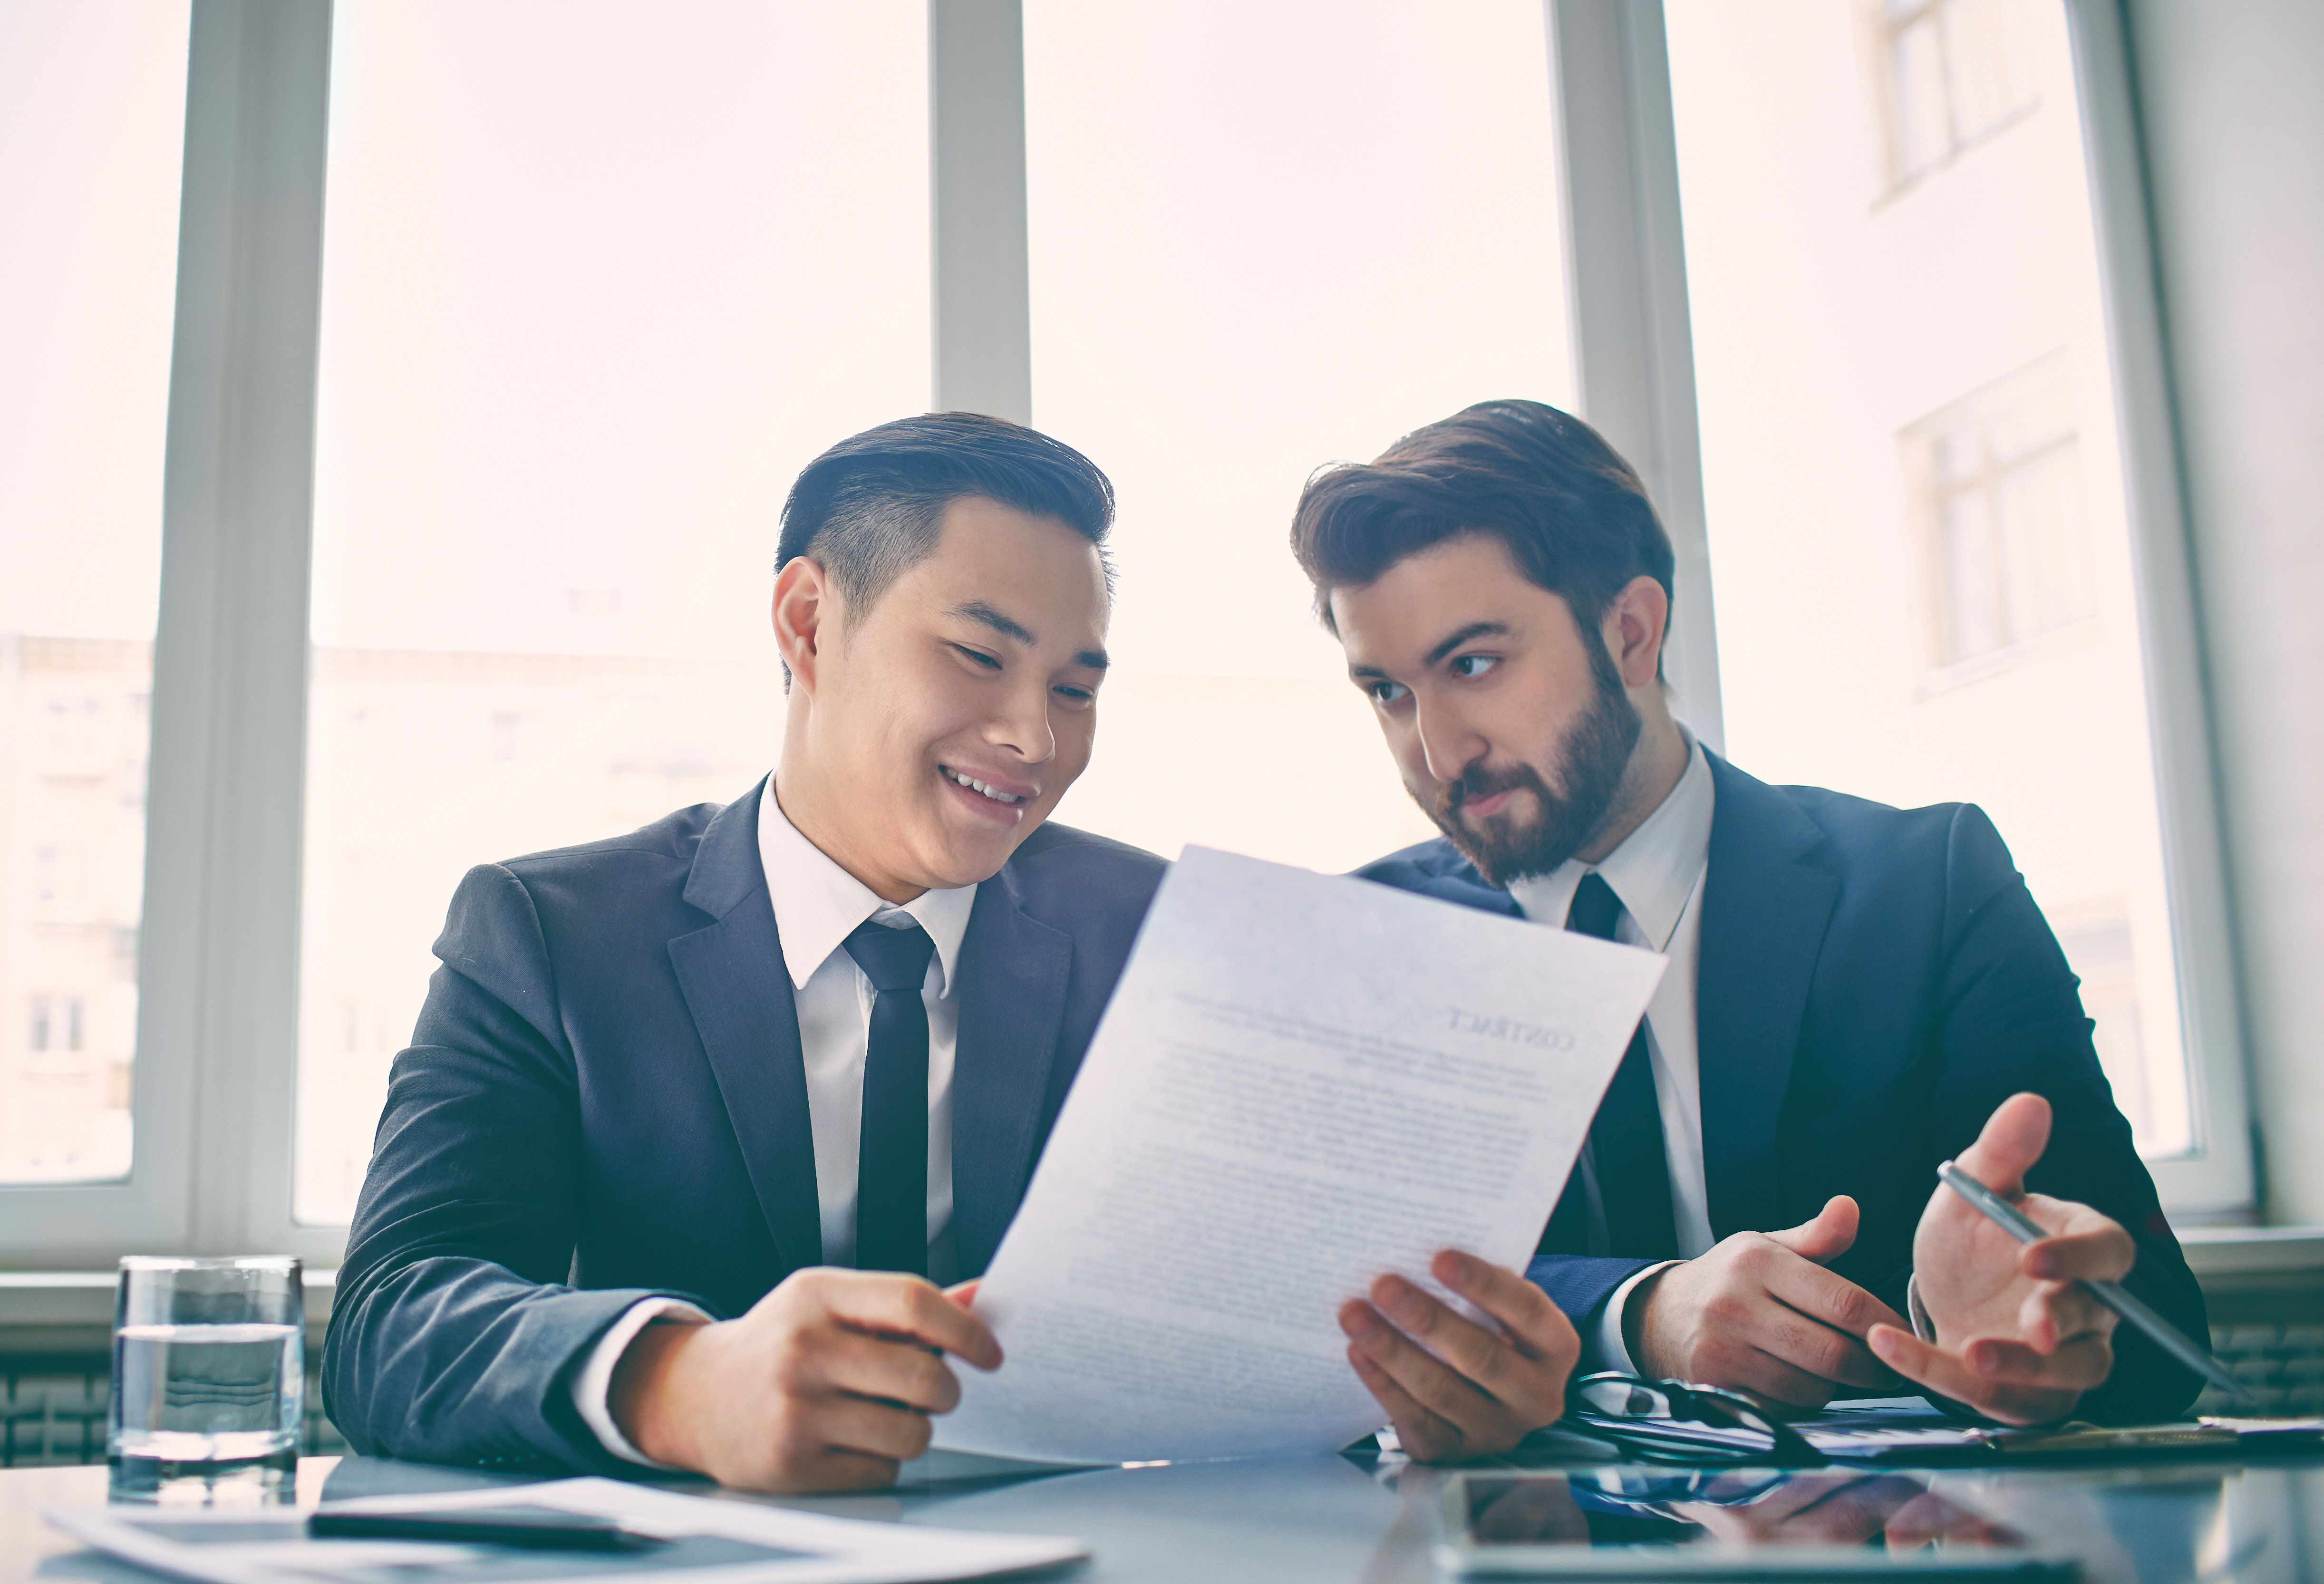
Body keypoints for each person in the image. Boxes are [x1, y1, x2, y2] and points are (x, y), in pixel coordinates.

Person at [324, 412, 1578, 1493]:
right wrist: (679, 1380)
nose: (1033, 734)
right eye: (978, 655)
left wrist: (1444, 1387)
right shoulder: (551, 934)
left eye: (1077, 688)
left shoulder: (1168, 937)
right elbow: (390, 1320)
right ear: (810, 623)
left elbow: (1307, 1334)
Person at [1295, 399, 2205, 1426]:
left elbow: (2153, 1333)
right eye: (1385, 692)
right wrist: (1637, 1314)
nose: (1434, 749)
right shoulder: (1368, 941)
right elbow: (1338, 1307)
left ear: (1630, 632)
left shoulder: (1928, 888)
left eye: (1471, 665)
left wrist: (2005, 1333)